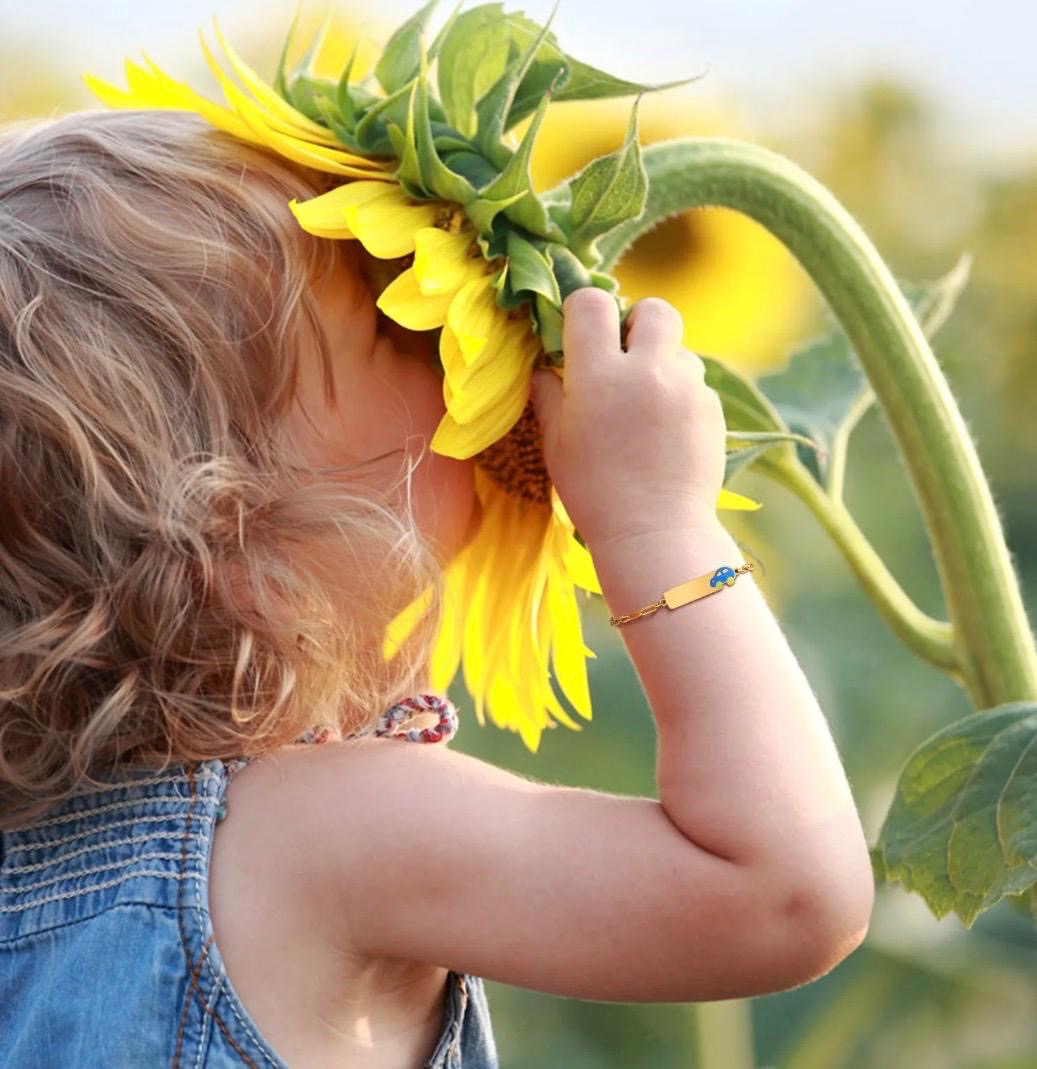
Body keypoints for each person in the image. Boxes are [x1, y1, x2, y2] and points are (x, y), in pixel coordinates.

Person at [0, 107, 874, 1068]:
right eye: (394, 329)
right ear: (254, 560)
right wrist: (655, 522)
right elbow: (783, 895)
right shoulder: (324, 833)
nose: (453, 350)